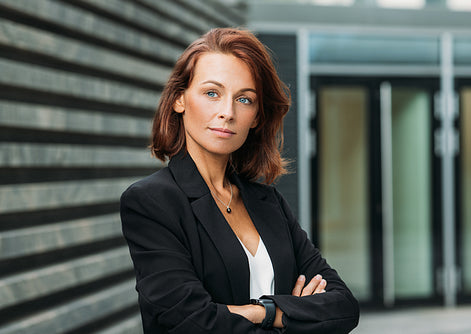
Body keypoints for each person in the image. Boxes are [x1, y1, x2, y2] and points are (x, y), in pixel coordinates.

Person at [120, 27, 359, 333]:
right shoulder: (152, 202)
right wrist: (294, 315)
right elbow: (191, 322)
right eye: (211, 93)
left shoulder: (268, 202)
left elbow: (343, 306)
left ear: (257, 116)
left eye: (245, 99)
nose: (227, 112)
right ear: (180, 99)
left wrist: (261, 311)